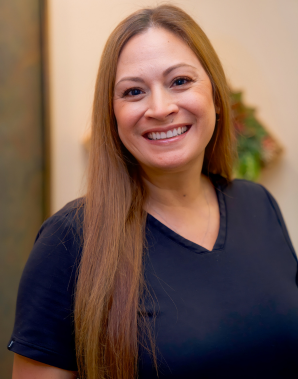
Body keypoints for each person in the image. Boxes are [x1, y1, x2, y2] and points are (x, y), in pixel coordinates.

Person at [9, 4, 298, 379]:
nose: (160, 108)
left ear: (215, 94)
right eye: (133, 91)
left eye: (180, 81)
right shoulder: (70, 239)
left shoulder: (258, 205)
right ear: (112, 117)